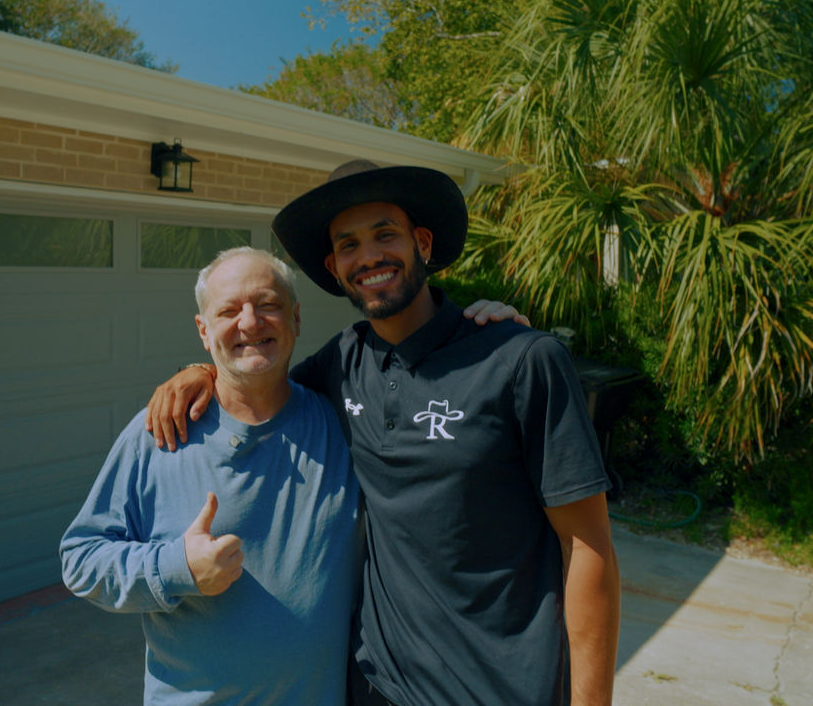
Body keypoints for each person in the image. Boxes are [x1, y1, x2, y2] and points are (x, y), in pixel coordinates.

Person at [147, 160, 622, 706]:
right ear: (334, 266)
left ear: (422, 242)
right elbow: (259, 384)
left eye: (385, 234)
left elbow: (588, 548)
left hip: (503, 688)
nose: (368, 256)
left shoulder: (520, 362)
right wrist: (201, 370)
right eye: (348, 244)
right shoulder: (343, 362)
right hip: (375, 685)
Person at [60, 247, 362, 705]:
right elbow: (81, 559)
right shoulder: (159, 433)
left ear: (296, 318)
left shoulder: (341, 425)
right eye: (228, 311)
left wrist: (495, 329)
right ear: (203, 331)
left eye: (268, 305)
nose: (249, 322)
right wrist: (176, 568)